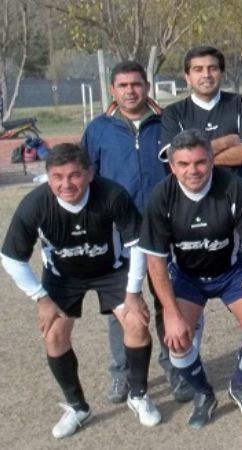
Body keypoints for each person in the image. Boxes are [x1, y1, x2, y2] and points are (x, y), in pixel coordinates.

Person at [1, 143, 160, 438]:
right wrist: (41, 298)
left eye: (74, 175)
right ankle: (77, 407)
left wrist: (133, 292)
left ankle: (138, 395)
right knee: (54, 333)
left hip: (111, 271)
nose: (66, 184)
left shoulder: (112, 194)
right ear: (47, 176)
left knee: (136, 323)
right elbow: (10, 257)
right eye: (57, 176)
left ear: (90, 173)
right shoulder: (35, 204)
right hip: (64, 276)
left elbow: (137, 244)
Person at [139, 130, 242, 428]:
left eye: (200, 162)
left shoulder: (234, 188)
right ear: (172, 167)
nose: (193, 170)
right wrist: (171, 314)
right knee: (177, 339)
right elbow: (155, 261)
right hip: (188, 277)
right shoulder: (162, 197)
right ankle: (203, 394)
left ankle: (238, 385)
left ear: (212, 160)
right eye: (184, 164)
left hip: (231, 272)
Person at [81, 60, 192, 404]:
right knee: (122, 305)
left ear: (147, 86)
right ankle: (123, 374)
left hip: (164, 227)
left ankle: (176, 369)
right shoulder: (98, 128)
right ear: (113, 90)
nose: (131, 91)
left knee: (168, 300)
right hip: (118, 233)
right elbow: (87, 179)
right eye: (123, 85)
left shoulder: (168, 122)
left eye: (136, 84)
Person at [161, 46, 242, 187]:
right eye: (198, 69)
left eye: (212, 68)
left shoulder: (239, 103)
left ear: (221, 73)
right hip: (195, 202)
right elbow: (174, 158)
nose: (206, 74)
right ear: (187, 77)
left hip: (239, 198)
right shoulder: (173, 112)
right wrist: (227, 142)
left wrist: (194, 158)